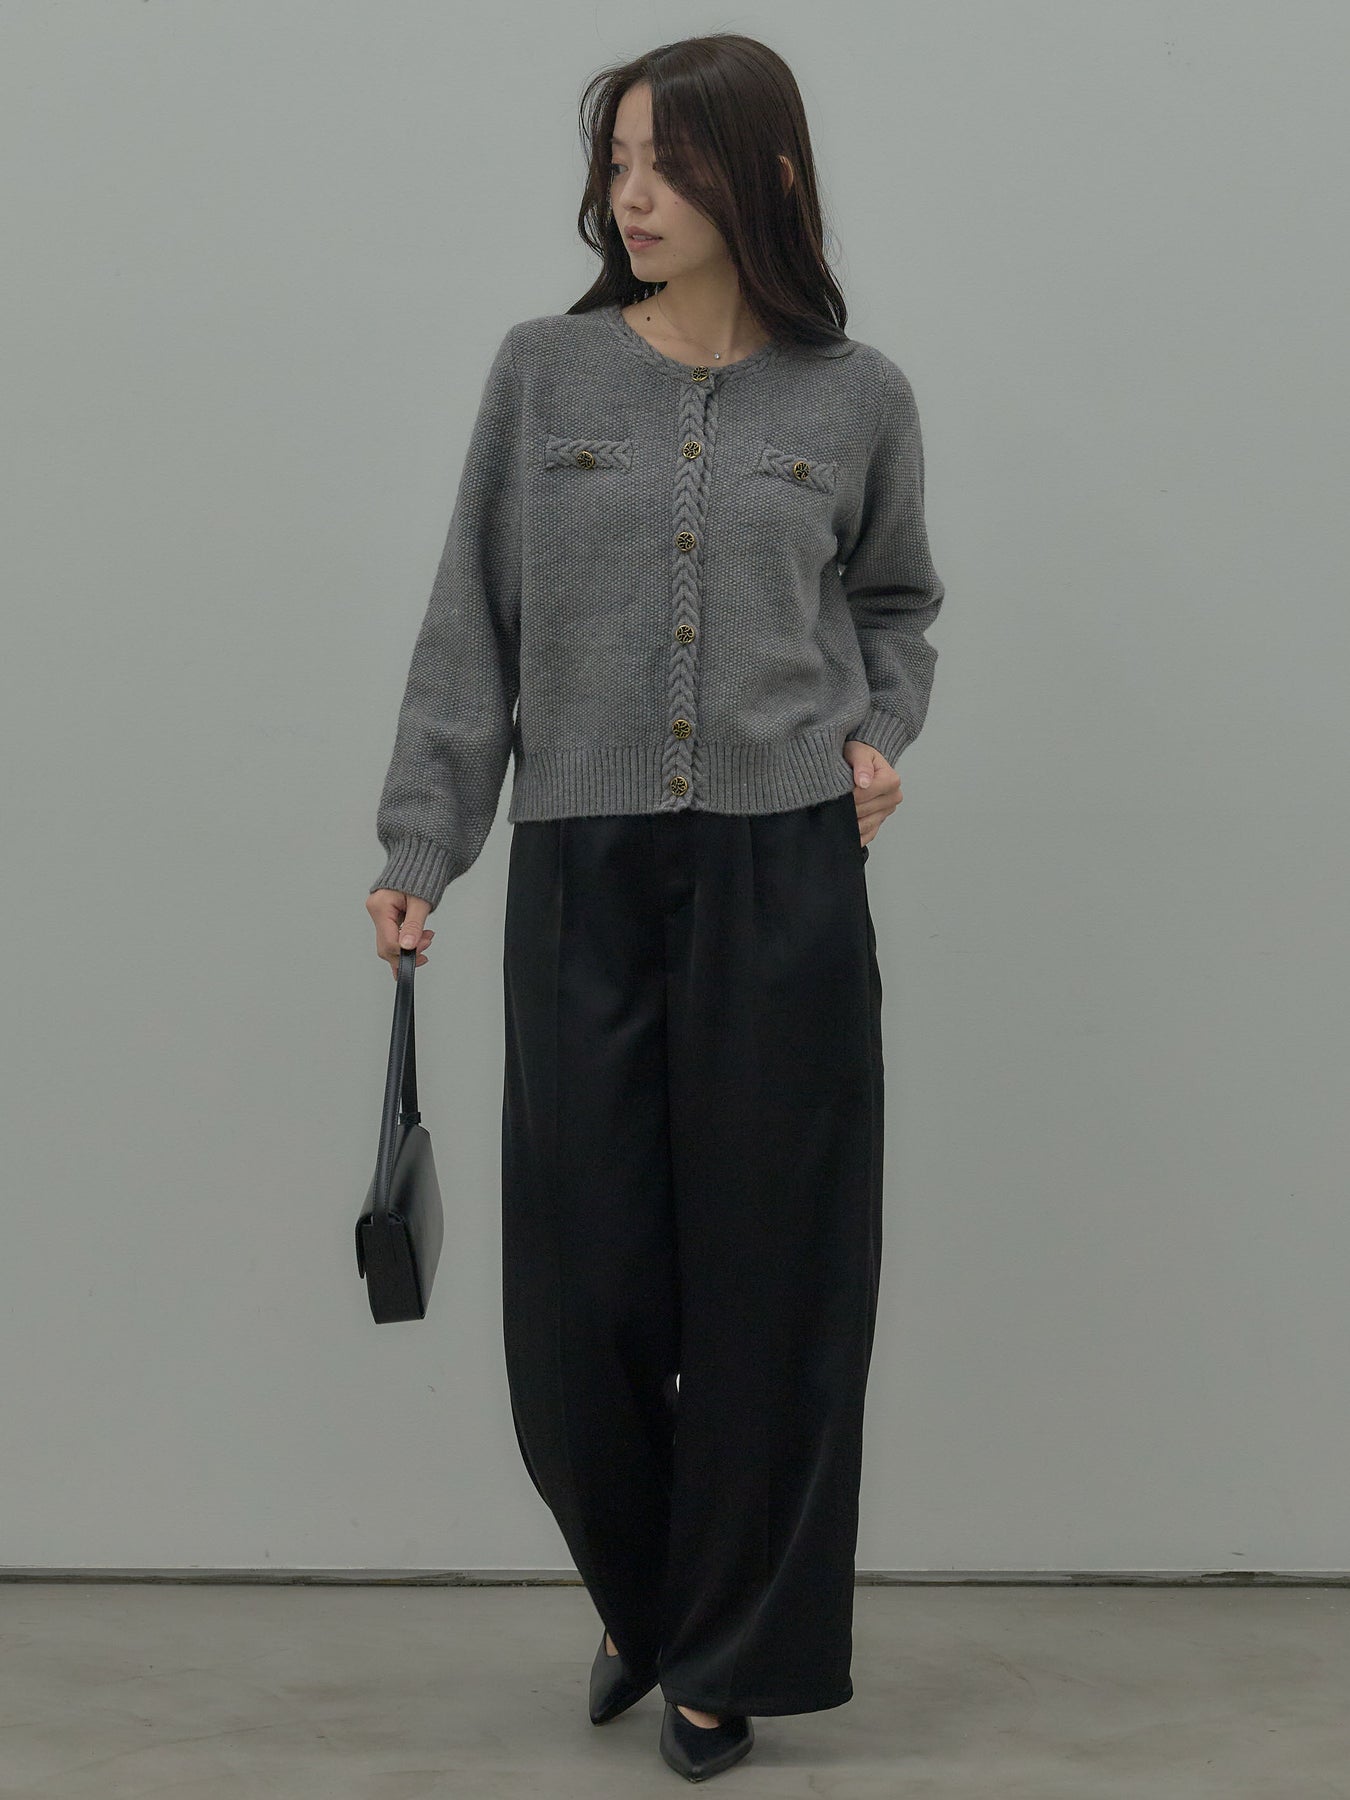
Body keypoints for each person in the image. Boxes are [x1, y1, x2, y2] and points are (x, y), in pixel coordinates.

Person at [365, 32, 946, 1785]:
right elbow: (472, 624)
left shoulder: (855, 397)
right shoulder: (543, 374)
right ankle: (646, 1590)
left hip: (785, 871)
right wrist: (420, 846)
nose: (629, 195)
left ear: (763, 177)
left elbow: (894, 604)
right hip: (585, 868)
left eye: (665, 163)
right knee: (582, 1291)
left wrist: (873, 736)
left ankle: (722, 1656)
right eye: (614, 161)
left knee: (779, 1283)